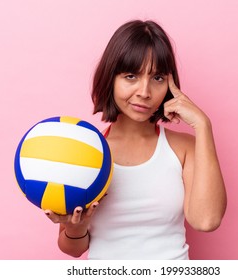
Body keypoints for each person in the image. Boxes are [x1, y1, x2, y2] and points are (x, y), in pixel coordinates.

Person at [45, 19, 227, 260]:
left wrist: (203, 125)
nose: (144, 92)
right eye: (131, 76)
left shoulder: (183, 149)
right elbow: (73, 248)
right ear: (111, 78)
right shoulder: (86, 152)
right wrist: (75, 228)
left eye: (158, 78)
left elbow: (206, 220)